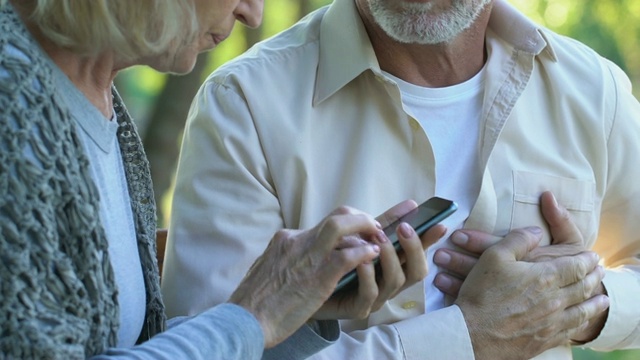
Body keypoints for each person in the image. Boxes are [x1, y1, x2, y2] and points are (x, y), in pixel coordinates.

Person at [162, 0, 639, 358]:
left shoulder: (595, 91)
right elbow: (212, 349)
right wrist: (469, 336)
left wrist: (584, 301)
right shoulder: (243, 104)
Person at [0, 0, 439, 358]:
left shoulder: (93, 96)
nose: (253, 14)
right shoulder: (13, 109)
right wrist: (253, 316)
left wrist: (294, 310)